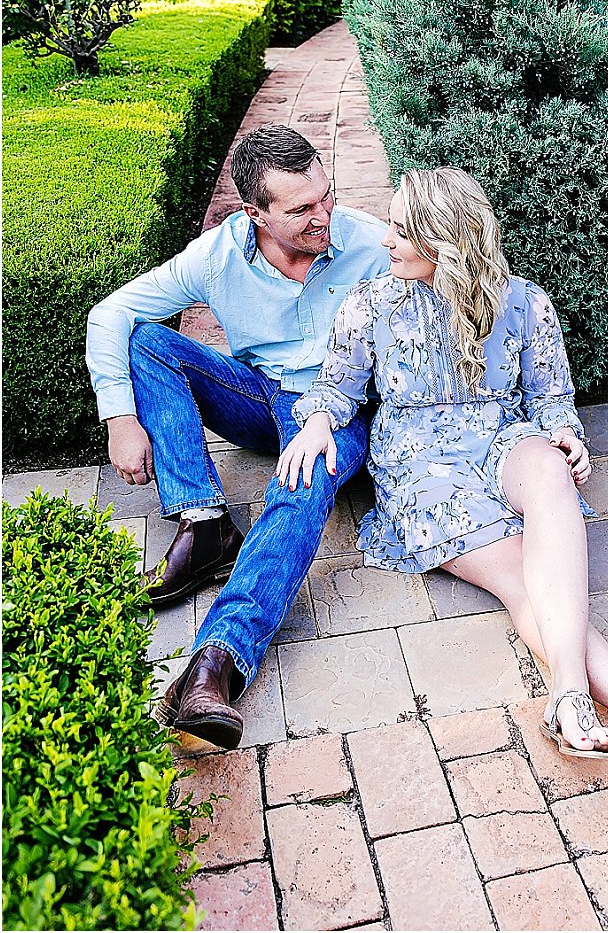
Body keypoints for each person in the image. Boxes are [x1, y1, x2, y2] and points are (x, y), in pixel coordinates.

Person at [278, 166, 608, 782]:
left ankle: (569, 696)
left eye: (402, 230)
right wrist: (316, 422)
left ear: (444, 242)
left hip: (500, 435)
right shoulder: (370, 305)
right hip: (420, 464)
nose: (385, 240)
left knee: (549, 468)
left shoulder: (523, 302)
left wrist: (566, 435)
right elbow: (337, 387)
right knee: (527, 578)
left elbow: (550, 396)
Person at [86, 125, 389, 749]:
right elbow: (111, 313)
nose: (322, 217)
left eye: (326, 196)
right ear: (255, 213)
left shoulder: (370, 243)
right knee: (148, 341)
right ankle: (205, 523)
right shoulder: (218, 255)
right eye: (300, 210)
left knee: (301, 482)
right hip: (261, 395)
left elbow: (458, 303)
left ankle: (216, 662)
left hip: (340, 408)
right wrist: (119, 417)